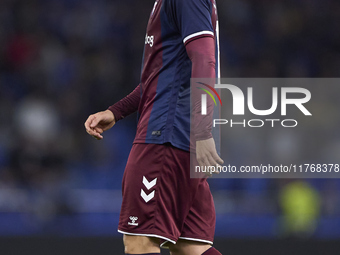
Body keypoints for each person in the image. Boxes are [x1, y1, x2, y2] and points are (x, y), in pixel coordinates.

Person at [85, 0, 223, 254]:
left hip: (165, 139)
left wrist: (203, 131)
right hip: (179, 139)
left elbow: (204, 58)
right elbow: (163, 76)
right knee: (191, 248)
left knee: (140, 242)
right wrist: (116, 111)